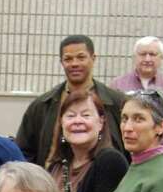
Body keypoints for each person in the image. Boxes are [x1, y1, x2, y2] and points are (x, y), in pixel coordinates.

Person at [16, 34, 127, 165]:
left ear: (93, 58)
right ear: (61, 62)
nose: (74, 63)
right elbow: (23, 152)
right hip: (52, 180)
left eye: (81, 57)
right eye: (68, 59)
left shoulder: (117, 103)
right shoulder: (42, 105)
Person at [111, 37, 163, 163]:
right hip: (126, 161)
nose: (147, 59)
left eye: (153, 54)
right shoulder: (117, 85)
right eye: (143, 54)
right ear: (134, 57)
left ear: (161, 58)